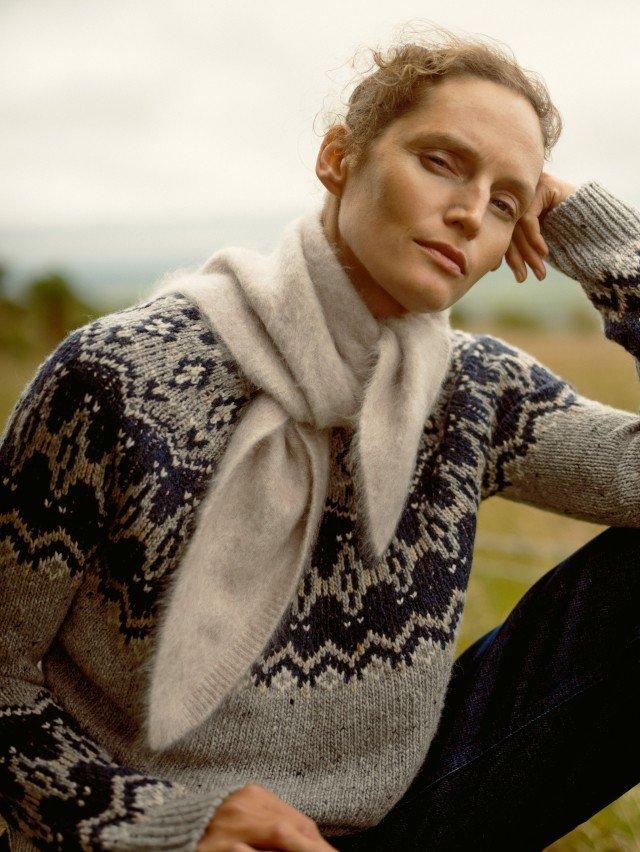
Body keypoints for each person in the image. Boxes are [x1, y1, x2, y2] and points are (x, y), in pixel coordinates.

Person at [0, 22, 638, 852]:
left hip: (410, 816)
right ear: (340, 156)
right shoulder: (116, 377)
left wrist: (603, 238)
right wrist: (164, 826)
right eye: (441, 161)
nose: (470, 212)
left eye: (507, 201)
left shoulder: (476, 393)